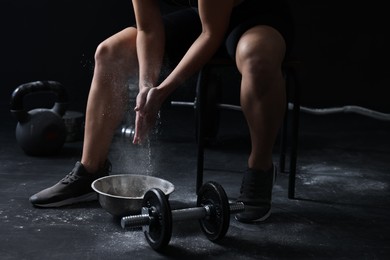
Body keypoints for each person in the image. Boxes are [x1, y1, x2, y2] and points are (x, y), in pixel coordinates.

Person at [29, 0, 294, 223]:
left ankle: (260, 167)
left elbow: (212, 34)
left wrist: (163, 90)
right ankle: (89, 171)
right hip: (202, 18)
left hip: (253, 16)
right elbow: (149, 29)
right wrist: (147, 86)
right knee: (110, 52)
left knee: (256, 58)